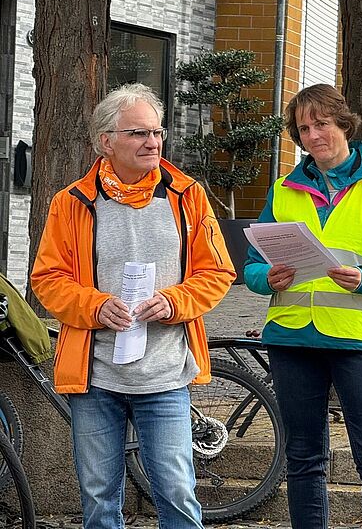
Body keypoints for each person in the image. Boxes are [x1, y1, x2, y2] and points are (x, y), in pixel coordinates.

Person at [30, 83, 235, 529]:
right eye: (139, 133)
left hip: (165, 375)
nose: (153, 142)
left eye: (158, 132)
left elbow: (217, 272)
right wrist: (96, 306)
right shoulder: (72, 202)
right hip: (95, 375)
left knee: (177, 492)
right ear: (107, 141)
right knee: (99, 496)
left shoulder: (187, 196)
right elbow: (47, 279)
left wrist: (174, 300)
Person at [244, 84, 362, 529]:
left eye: (321, 124)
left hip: (361, 341)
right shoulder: (284, 190)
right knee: (303, 459)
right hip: (291, 338)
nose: (312, 135)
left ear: (344, 124)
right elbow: (251, 267)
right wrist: (265, 277)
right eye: (303, 128)